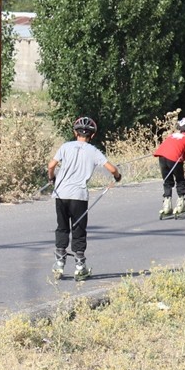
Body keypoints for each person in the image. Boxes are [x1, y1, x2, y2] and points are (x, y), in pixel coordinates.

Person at [47, 117, 122, 280]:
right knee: (78, 229)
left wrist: (51, 178)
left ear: (75, 133)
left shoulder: (65, 146)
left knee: (62, 227)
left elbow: (51, 165)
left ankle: (59, 263)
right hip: (79, 196)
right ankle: (80, 266)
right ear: (92, 136)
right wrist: (117, 176)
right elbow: (112, 169)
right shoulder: (93, 151)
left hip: (61, 194)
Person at [153, 117, 185, 218]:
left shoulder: (172, 135)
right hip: (174, 159)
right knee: (180, 180)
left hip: (161, 156)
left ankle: (167, 206)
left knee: (167, 180)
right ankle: (180, 205)